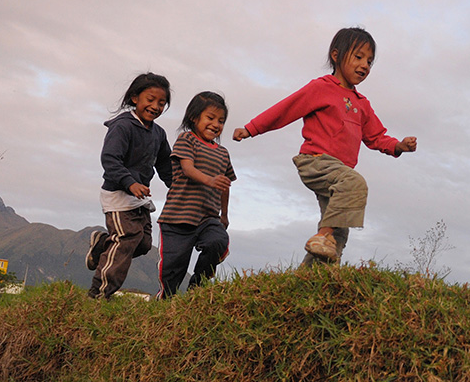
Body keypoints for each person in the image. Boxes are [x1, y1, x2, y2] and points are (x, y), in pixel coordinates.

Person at [233, 27, 417, 266]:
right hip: (316, 162)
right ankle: (322, 235)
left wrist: (399, 146)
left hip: (338, 175)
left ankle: (310, 278)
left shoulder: (362, 104)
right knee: (354, 184)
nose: (365, 65)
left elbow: (376, 136)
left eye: (370, 61)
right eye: (358, 56)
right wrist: (252, 128)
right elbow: (287, 108)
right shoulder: (321, 88)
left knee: (340, 232)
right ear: (336, 55)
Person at [86, 73, 174, 299]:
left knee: (143, 244)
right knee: (126, 240)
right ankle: (99, 294)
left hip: (140, 197)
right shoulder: (123, 127)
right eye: (150, 99)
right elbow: (110, 160)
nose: (155, 106)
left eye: (161, 103)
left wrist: (175, 186)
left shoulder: (158, 133)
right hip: (118, 194)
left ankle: (102, 245)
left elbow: (165, 163)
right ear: (135, 98)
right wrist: (130, 183)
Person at [155, 91, 237, 298]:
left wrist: (224, 215)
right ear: (194, 117)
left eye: (221, 121)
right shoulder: (186, 140)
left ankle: (197, 289)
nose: (216, 124)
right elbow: (187, 169)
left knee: (217, 242)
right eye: (210, 118)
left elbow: (225, 185)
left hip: (208, 217)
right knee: (173, 268)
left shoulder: (223, 152)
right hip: (178, 217)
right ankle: (166, 302)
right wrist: (210, 180)